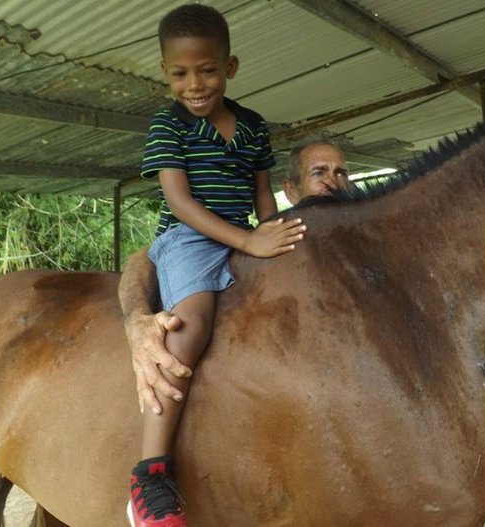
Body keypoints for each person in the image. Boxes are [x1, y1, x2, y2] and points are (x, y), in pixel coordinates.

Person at [126, 5, 307, 527]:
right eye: (180, 73)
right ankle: (149, 475)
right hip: (189, 239)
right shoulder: (168, 125)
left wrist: (276, 235)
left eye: (206, 70)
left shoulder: (251, 125)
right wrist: (248, 241)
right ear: (166, 72)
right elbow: (180, 203)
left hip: (242, 236)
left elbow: (262, 192)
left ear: (229, 67)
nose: (194, 84)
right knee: (191, 325)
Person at [121, 139, 350, 418]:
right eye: (319, 173)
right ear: (290, 190)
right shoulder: (264, 241)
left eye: (341, 173)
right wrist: (136, 318)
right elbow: (144, 258)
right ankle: (155, 459)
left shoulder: (358, 245)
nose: (333, 183)